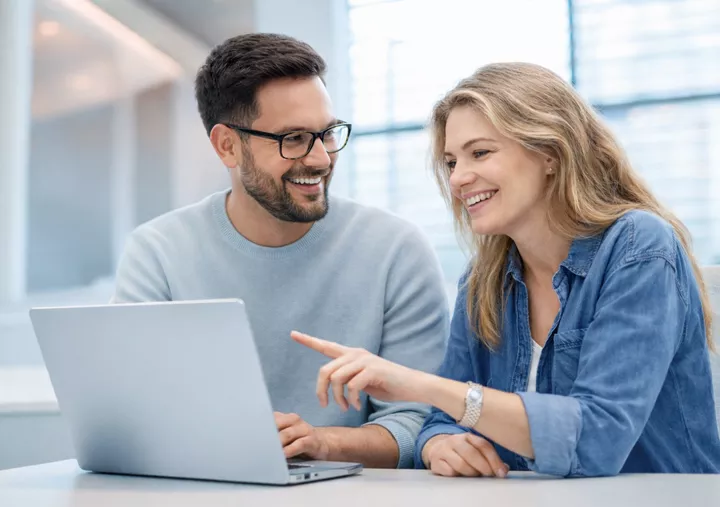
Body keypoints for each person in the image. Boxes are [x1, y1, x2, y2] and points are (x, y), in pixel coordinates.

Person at [292, 62, 720, 477]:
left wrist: (417, 385)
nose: (458, 178)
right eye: (452, 161)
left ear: (550, 153)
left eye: (480, 152)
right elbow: (442, 421)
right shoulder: (485, 279)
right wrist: (440, 443)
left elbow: (597, 437)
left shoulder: (637, 246)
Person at [112, 33, 449, 469]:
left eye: (327, 133)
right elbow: (130, 414)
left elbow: (419, 422)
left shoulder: (397, 251)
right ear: (227, 146)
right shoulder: (157, 252)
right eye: (293, 139)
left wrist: (323, 442)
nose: (322, 158)